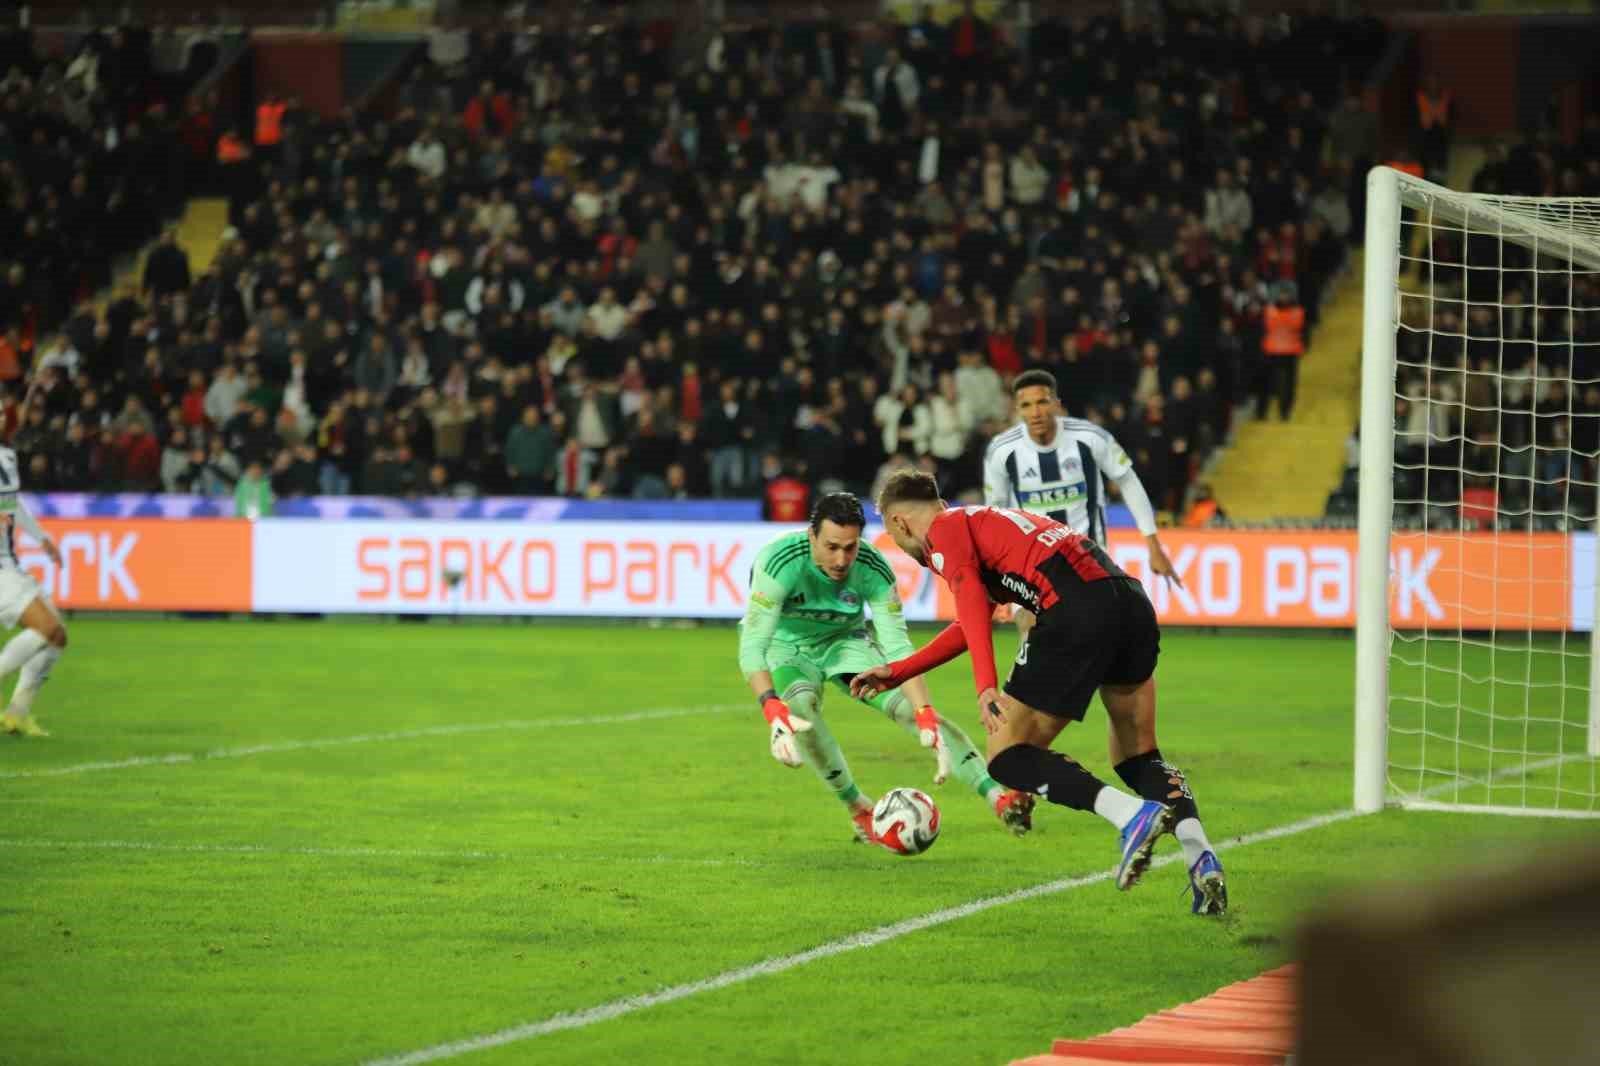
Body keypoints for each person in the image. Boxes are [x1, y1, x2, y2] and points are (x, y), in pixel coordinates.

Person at [853, 471, 1226, 912]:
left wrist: (984, 685)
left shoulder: (944, 531)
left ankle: (1131, 816)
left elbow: (970, 597)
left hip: (1074, 606)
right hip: (1127, 600)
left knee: (1006, 755)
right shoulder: (979, 522)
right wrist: (899, 671)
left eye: (896, 538)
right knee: (1138, 755)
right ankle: (1200, 855)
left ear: (898, 523)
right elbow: (970, 621)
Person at [738, 492, 1033, 849]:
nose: (842, 558)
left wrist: (924, 714)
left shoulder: (874, 567)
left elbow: (897, 649)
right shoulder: (779, 560)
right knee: (799, 711)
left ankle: (997, 798)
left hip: (845, 644)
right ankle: (858, 808)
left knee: (912, 711)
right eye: (831, 546)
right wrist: (771, 707)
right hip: (787, 648)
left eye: (850, 547)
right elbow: (753, 644)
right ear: (811, 536)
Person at [983, 370, 1183, 636]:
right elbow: (995, 515)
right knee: (1033, 636)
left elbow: (1128, 481)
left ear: (1056, 403)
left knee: (1096, 644)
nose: (1036, 412)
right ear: (1017, 409)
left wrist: (1153, 544)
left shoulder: (1090, 438)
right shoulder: (1002, 450)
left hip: (1088, 557)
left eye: (1042, 402)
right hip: (1030, 562)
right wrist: (997, 579)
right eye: (1026, 405)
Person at [0, 444, 68, 737]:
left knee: (57, 638)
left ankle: (17, 714)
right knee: (46, 628)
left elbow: (12, 504)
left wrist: (41, 538)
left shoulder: (7, 456)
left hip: (11, 566)